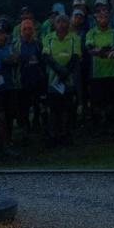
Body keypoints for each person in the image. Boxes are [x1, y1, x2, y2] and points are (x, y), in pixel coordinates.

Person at [42, 14, 80, 146]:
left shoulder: (74, 37)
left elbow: (76, 56)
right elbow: (46, 56)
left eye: (65, 22)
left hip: (68, 79)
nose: (62, 24)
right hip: (53, 80)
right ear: (54, 24)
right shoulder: (48, 37)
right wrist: (59, 70)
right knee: (53, 109)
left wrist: (66, 71)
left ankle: (65, 134)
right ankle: (53, 135)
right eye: (59, 22)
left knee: (66, 108)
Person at [85, 4, 114, 134]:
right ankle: (97, 127)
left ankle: (110, 125)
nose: (103, 19)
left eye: (105, 16)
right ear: (96, 18)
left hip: (112, 73)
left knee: (112, 101)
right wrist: (106, 51)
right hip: (96, 73)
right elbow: (91, 50)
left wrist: (100, 50)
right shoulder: (91, 33)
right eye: (100, 16)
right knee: (96, 102)